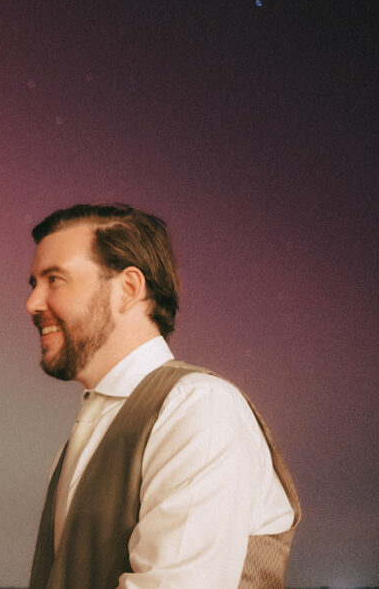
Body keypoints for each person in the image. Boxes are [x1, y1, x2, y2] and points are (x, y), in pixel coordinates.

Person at [24, 203, 300, 589]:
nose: (33, 303)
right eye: (34, 284)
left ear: (129, 288)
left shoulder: (199, 409)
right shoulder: (92, 428)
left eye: (55, 279)